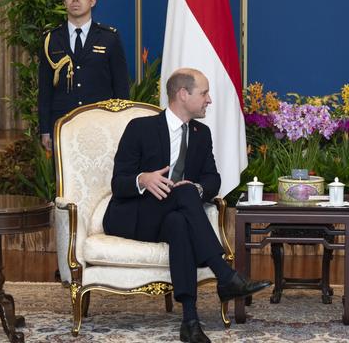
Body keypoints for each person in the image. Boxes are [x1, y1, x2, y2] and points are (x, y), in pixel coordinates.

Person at [103, 68, 270, 343]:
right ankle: (225, 275)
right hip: (134, 216)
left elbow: (212, 180)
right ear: (183, 94)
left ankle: (190, 321)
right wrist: (143, 179)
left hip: (172, 218)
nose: (209, 100)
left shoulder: (201, 134)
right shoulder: (140, 128)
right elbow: (118, 184)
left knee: (181, 217)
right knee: (186, 196)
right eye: (204, 93)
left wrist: (197, 189)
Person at [38, 0, 130, 151]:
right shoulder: (51, 39)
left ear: (93, 1)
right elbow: (45, 89)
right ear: (64, 1)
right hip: (63, 124)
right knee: (65, 178)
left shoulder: (109, 37)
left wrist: (122, 124)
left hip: (101, 123)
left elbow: (121, 87)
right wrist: (45, 129)